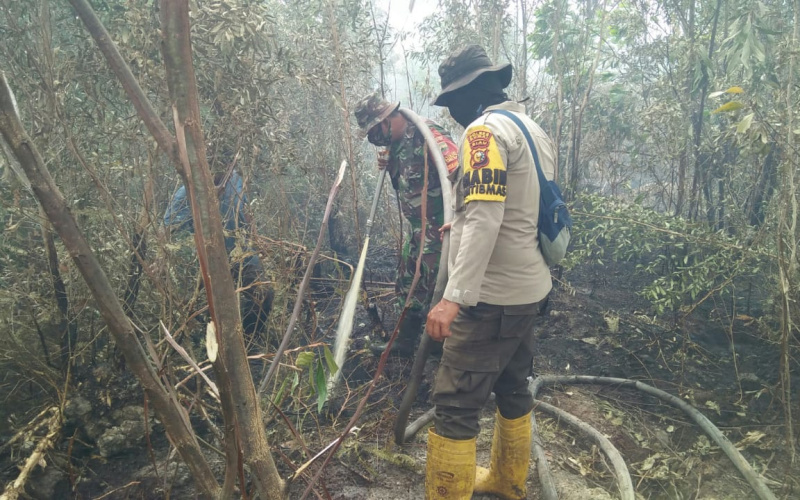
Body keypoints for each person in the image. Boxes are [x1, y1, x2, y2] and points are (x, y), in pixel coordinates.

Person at [423, 45, 555, 499]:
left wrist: (452, 297)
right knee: (513, 384)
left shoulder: (483, 132)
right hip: (528, 288)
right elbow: (512, 207)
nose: (453, 112)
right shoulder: (531, 128)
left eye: (453, 101)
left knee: (456, 404)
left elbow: (486, 216)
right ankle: (506, 480)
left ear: (471, 93)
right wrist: (459, 222)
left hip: (491, 299)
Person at [354, 92, 459, 357]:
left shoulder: (429, 135)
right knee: (407, 285)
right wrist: (390, 165)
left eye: (375, 130)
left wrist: (460, 222)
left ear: (387, 118)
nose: (373, 138)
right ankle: (405, 343)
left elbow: (460, 176)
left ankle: (439, 349)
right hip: (417, 231)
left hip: (439, 231)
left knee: (436, 289)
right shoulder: (396, 144)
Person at [164, 166, 273, 355]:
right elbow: (168, 228)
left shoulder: (235, 179)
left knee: (265, 292)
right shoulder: (187, 192)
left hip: (241, 253)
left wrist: (256, 241)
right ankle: (212, 354)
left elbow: (245, 212)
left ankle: (248, 343)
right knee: (215, 311)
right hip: (208, 260)